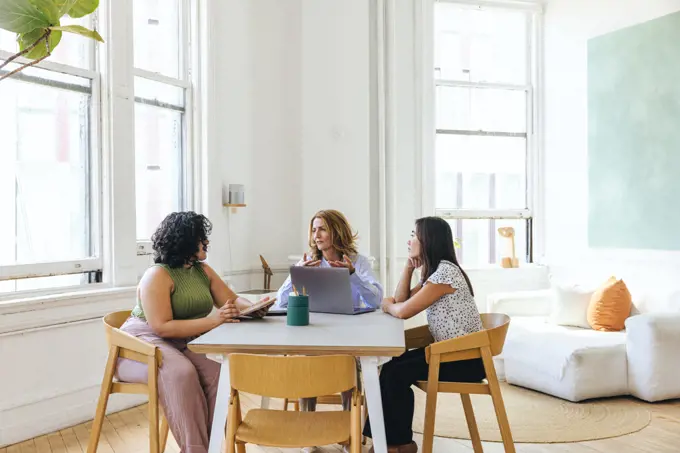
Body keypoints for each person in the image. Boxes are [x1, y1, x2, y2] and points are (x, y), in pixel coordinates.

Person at [116, 211, 270, 453]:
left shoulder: (202, 270)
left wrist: (253, 308)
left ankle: (208, 447)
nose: (206, 242)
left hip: (181, 342)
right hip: (140, 345)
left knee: (218, 375)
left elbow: (231, 300)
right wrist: (216, 321)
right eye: (201, 238)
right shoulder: (156, 275)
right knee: (181, 373)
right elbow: (162, 326)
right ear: (185, 241)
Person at [363, 216, 485, 453]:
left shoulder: (445, 274)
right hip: (450, 354)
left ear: (428, 241)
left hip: (464, 360)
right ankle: (392, 443)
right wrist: (408, 266)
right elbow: (400, 299)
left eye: (414, 236)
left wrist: (387, 306)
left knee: (396, 371)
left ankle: (398, 444)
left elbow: (401, 310)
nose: (410, 241)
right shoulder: (435, 273)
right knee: (391, 366)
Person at [276, 209, 383, 453]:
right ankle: (308, 433)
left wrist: (352, 275)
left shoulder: (358, 261)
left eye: (322, 228)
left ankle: (349, 433)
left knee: (347, 366)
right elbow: (280, 301)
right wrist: (298, 273)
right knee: (308, 365)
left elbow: (375, 300)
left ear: (337, 231)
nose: (317, 235)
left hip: (349, 333)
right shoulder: (308, 262)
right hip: (314, 332)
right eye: (314, 229)